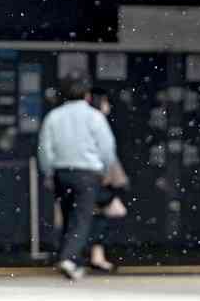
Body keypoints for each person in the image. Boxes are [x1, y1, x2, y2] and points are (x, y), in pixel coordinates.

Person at [38, 71, 116, 281]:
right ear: (87, 95)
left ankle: (66, 256)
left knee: (67, 215)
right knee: (81, 219)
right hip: (88, 173)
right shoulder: (95, 116)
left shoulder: (53, 116)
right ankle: (69, 259)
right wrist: (103, 169)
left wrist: (49, 171)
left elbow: (44, 149)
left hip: (61, 172)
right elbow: (107, 148)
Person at [87, 87, 129, 273]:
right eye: (105, 102)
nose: (108, 106)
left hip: (89, 178)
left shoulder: (90, 123)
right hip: (98, 178)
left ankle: (93, 256)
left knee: (93, 216)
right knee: (100, 216)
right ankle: (95, 256)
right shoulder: (97, 123)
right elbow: (107, 154)